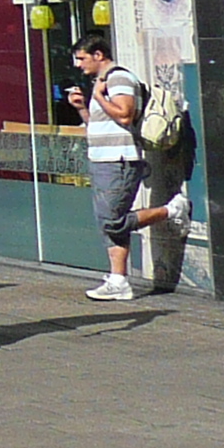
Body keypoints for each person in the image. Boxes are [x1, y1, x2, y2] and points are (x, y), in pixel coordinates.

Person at [73, 37, 158, 303]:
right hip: (101, 157)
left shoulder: (118, 79)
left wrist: (98, 95)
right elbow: (98, 125)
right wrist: (83, 109)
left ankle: (171, 210)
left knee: (111, 219)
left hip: (119, 158)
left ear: (98, 55)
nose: (78, 65)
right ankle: (118, 280)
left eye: (82, 58)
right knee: (106, 222)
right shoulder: (102, 83)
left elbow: (124, 115)